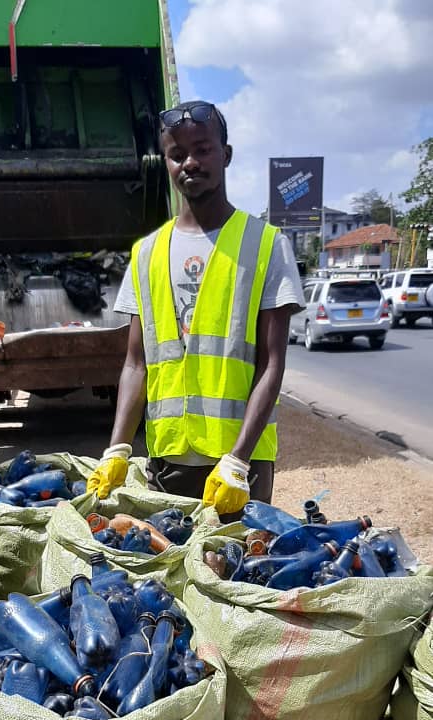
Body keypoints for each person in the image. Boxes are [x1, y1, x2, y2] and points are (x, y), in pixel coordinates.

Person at [87, 100, 305, 514]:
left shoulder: (265, 245)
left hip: (241, 464)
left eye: (203, 149)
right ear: (165, 163)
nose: (191, 162)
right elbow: (136, 363)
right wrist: (117, 446)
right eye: (177, 154)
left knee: (235, 569)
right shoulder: (147, 253)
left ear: (225, 154)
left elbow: (271, 364)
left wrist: (239, 460)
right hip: (168, 461)